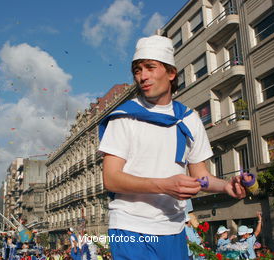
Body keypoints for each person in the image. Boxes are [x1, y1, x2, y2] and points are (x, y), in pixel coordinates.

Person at [99, 34, 247, 259]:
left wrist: (226, 186)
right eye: (137, 71)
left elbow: (201, 177)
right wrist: (164, 185)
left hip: (174, 228)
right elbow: (111, 179)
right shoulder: (124, 117)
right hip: (129, 227)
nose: (142, 76)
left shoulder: (190, 119)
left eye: (150, 67)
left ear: (171, 73)